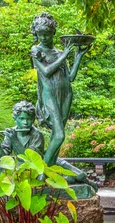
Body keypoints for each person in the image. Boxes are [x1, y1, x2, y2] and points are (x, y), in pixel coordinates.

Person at [29, 12, 90, 167]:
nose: (43, 38)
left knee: (58, 133)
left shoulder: (59, 52)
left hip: (66, 93)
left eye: (47, 34)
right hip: (49, 94)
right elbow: (47, 71)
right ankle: (42, 171)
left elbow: (70, 77)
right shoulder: (36, 50)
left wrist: (78, 57)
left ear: (53, 33)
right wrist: (64, 55)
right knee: (60, 135)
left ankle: (51, 168)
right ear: (36, 34)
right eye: (40, 34)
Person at [0, 101, 90, 185]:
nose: (25, 122)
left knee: (67, 178)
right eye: (22, 119)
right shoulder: (11, 132)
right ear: (15, 119)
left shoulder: (36, 135)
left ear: (33, 119)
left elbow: (30, 159)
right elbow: (3, 157)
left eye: (28, 119)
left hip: (36, 169)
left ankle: (70, 178)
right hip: (19, 168)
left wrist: (14, 140)